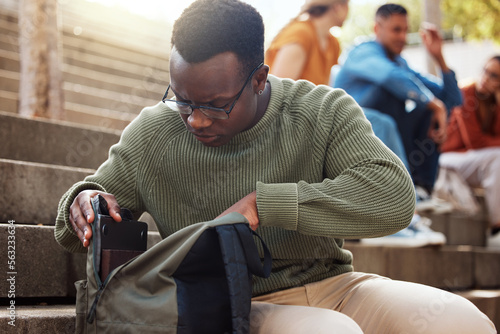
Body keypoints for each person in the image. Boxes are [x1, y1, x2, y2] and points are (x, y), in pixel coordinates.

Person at [54, 0, 495, 332]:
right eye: (182, 99)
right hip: (232, 302)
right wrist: (84, 202)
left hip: (337, 287)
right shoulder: (154, 132)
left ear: (260, 78)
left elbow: (394, 199)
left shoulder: (321, 110)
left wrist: (266, 204)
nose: (196, 119)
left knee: (464, 322)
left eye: (216, 105)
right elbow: (71, 227)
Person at [334, 3, 462, 196]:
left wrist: (439, 58)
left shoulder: (400, 63)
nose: (403, 37)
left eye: (405, 31)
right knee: (398, 92)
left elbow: (452, 100)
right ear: (377, 28)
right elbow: (389, 77)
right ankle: (400, 191)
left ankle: (422, 189)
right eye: (396, 30)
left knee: (428, 106)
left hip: (393, 143)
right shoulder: (361, 52)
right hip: (355, 140)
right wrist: (434, 104)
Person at [439, 55, 500, 247]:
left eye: (494, 76)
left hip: (470, 161)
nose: (486, 78)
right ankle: (497, 225)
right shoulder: (466, 94)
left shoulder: (493, 103)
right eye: (485, 71)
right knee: (497, 157)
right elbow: (477, 142)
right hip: (447, 159)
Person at [265, 0, 349, 85]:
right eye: (348, 5)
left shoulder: (333, 44)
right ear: (337, 7)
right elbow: (279, 89)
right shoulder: (301, 34)